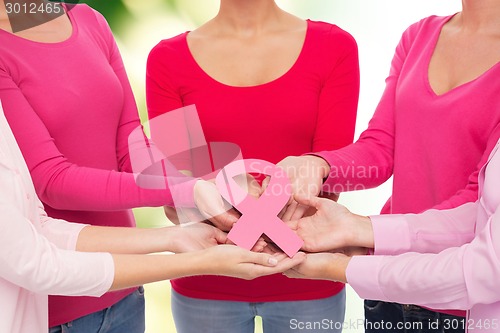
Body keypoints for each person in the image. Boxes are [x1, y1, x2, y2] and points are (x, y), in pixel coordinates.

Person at [0, 2, 235, 332]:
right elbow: (52, 181)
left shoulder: (87, 19)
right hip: (58, 306)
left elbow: (131, 144)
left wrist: (201, 199)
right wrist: (185, 190)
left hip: (127, 290)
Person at [276, 0, 500, 330]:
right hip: (383, 283)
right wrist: (318, 165)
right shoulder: (419, 35)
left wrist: (369, 235)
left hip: (455, 294)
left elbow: (479, 201)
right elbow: (380, 149)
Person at [0, 100, 305, 333]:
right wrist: (188, 202)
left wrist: (176, 234)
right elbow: (36, 259)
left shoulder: (91, 26)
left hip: (123, 301)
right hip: (51, 311)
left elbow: (39, 230)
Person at [146, 0, 359, 331]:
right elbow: (174, 197)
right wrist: (241, 217)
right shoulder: (168, 61)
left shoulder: (333, 47)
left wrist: (250, 218)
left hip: (307, 277)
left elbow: (331, 179)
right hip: (208, 281)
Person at [284, 137, 500, 333]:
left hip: (446, 300)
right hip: (401, 285)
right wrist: (361, 229)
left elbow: (482, 271)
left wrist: (340, 267)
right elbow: (481, 214)